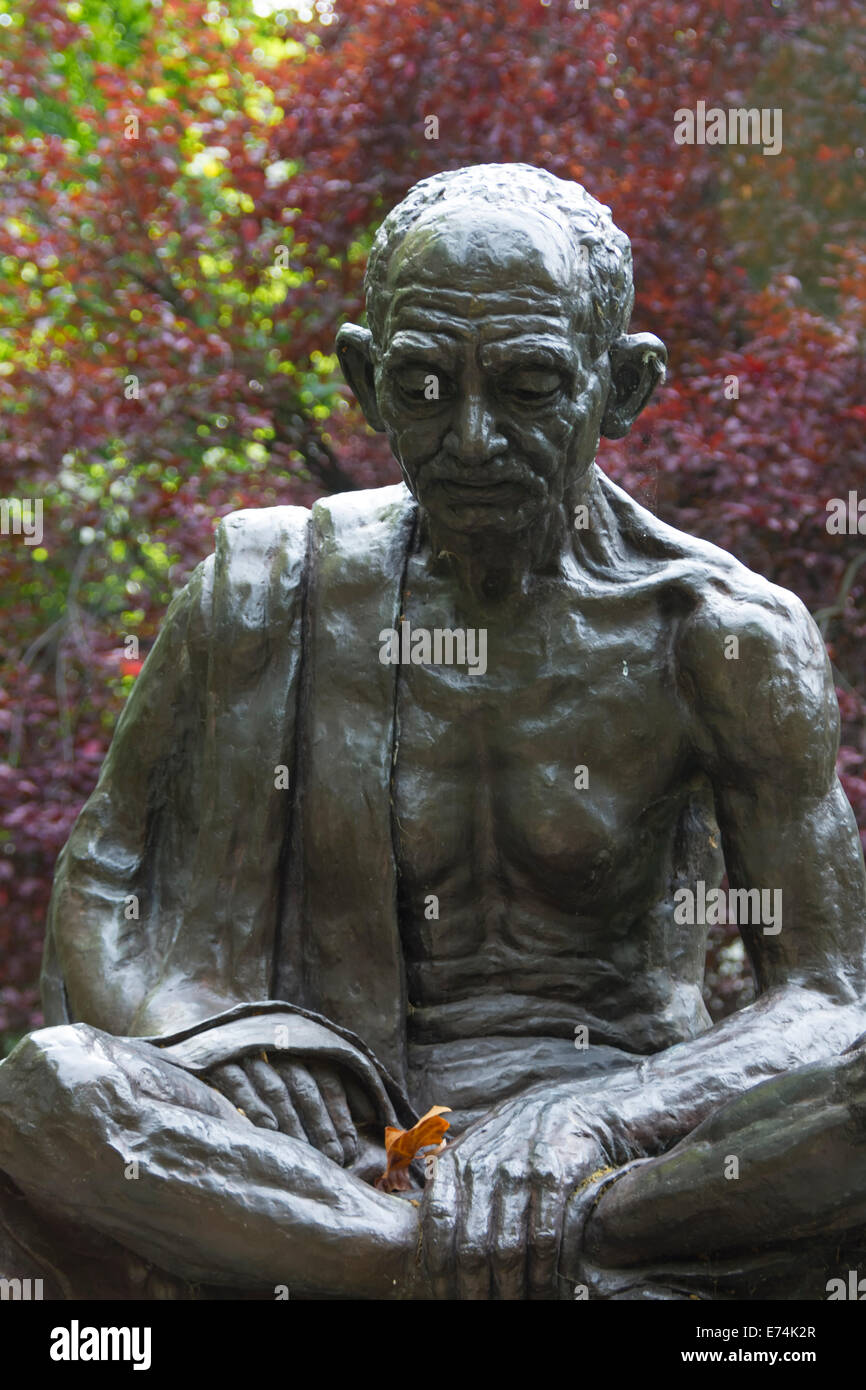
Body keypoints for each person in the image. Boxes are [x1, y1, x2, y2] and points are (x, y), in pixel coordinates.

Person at [1, 164, 864, 1300]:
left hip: (625, 1136)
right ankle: (415, 1259)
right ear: (363, 377)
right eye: (418, 382)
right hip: (329, 1135)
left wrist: (589, 1121)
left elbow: (826, 992)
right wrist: (224, 1042)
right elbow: (104, 882)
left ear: (622, 386)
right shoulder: (266, 585)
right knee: (54, 1089)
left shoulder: (717, 635)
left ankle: (360, 1264)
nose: (468, 436)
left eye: (526, 385)